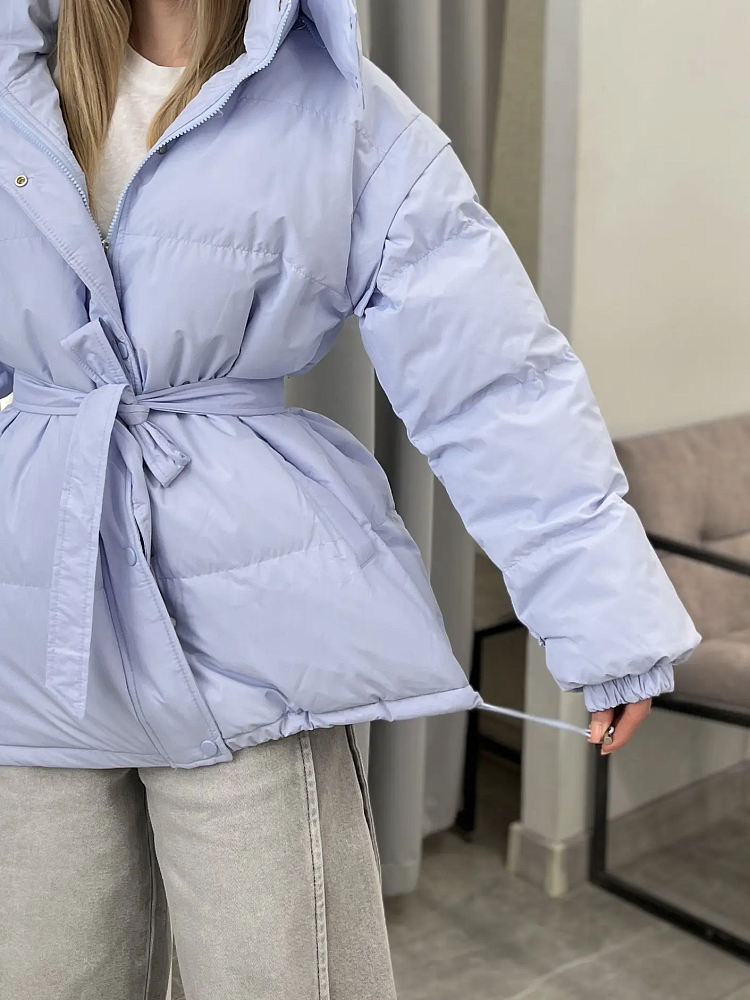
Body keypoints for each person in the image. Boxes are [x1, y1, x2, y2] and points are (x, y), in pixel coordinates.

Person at [0, 0, 700, 997]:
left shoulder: (345, 111)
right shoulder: (15, 80)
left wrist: (606, 618)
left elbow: (491, 380)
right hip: (32, 625)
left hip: (243, 636)